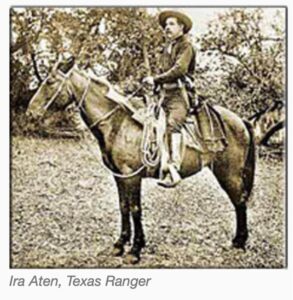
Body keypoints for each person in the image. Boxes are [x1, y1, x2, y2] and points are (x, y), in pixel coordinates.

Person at [143, 10, 196, 188]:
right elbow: (164, 72)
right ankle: (155, 161)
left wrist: (156, 79)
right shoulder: (167, 48)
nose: (167, 28)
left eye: (171, 24)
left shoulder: (186, 46)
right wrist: (155, 85)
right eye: (166, 25)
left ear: (181, 27)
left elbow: (179, 70)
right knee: (150, 122)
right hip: (164, 95)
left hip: (180, 95)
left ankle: (174, 168)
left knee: (173, 124)